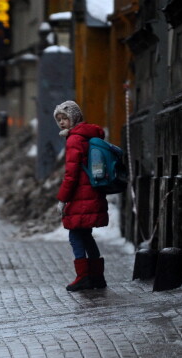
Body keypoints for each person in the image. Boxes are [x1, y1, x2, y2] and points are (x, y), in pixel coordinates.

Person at [54, 100, 108, 291]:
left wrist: (62, 198)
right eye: (59, 119)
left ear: (74, 117)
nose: (61, 122)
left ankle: (83, 276)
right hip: (91, 193)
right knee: (86, 235)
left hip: (80, 195)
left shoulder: (74, 139)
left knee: (75, 235)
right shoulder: (87, 135)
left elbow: (71, 174)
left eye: (65, 118)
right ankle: (97, 276)